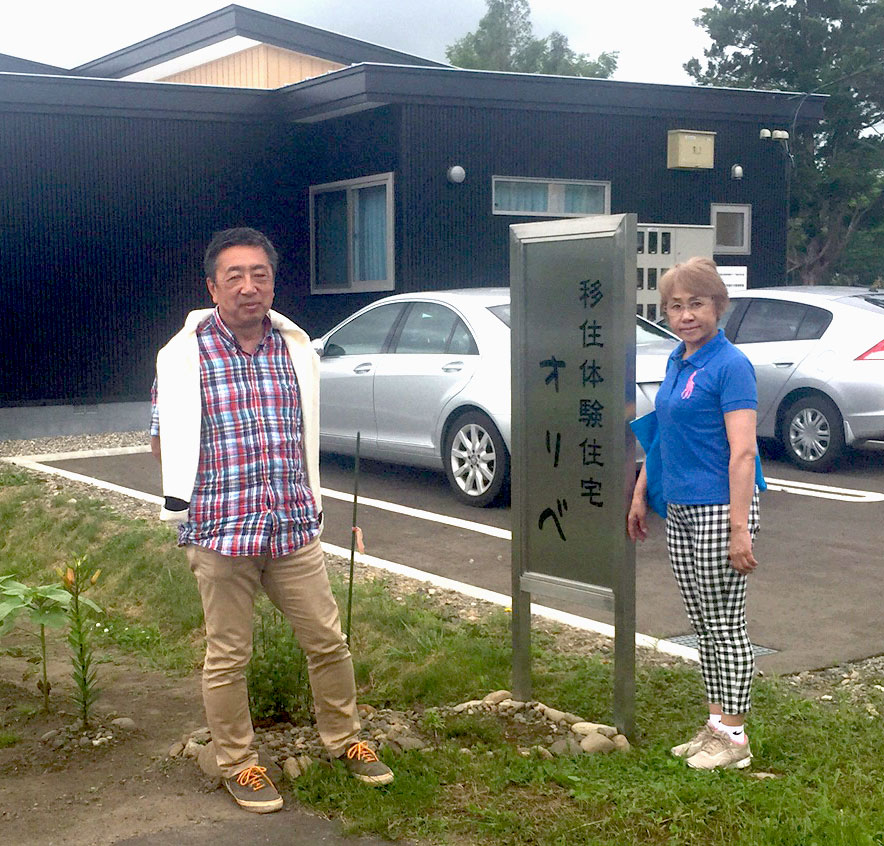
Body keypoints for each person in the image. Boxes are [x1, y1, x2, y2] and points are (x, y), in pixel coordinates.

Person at [150, 227, 393, 814]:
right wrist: (193, 493)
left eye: (259, 274)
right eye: (233, 275)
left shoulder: (295, 348)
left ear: (273, 282)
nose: (248, 286)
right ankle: (239, 763)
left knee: (328, 640)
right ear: (212, 286)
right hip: (220, 530)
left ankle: (345, 740)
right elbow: (163, 441)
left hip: (291, 528)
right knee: (228, 655)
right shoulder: (182, 355)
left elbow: (304, 432)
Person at [627, 257, 760, 771]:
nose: (686, 315)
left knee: (727, 625)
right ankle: (714, 727)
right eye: (676, 306)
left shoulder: (731, 365)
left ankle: (735, 739)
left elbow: (743, 452)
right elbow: (662, 437)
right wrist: (641, 493)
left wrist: (739, 528)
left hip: (719, 510)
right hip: (679, 508)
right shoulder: (679, 361)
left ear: (718, 306)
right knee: (704, 624)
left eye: (697, 304)